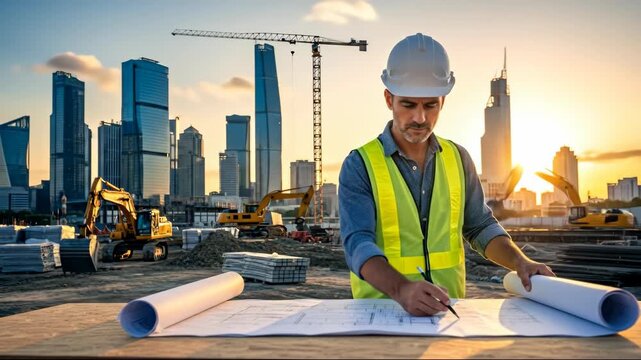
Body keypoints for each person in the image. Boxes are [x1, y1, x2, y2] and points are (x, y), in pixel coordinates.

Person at [338, 33, 555, 316]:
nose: (420, 118)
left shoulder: (458, 158)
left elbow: (479, 227)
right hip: (380, 314)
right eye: (408, 105)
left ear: (443, 101)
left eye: (430, 105)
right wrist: (402, 289)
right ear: (389, 98)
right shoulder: (360, 164)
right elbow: (358, 244)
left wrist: (519, 261)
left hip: (448, 316)